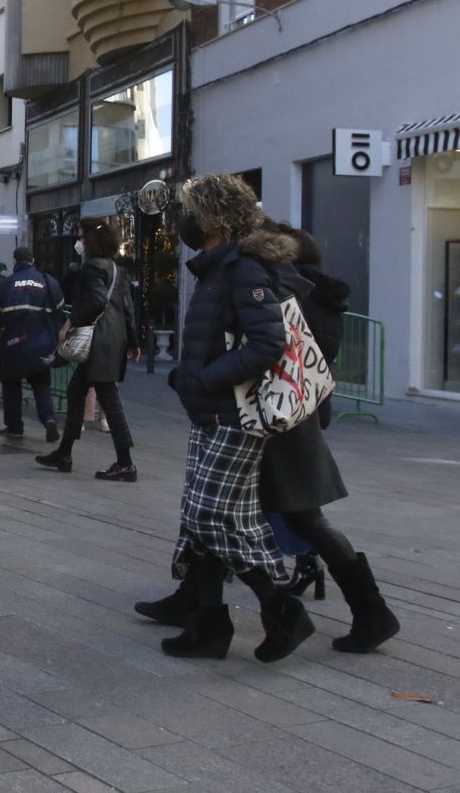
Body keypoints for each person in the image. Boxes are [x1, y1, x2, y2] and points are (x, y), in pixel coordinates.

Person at [135, 221, 399, 654]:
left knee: (298, 518)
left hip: (278, 422)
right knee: (215, 512)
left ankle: (369, 610)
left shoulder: (287, 291)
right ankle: (200, 607)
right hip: (266, 416)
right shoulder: (282, 286)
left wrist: (205, 377)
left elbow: (276, 353)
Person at [150, 175, 313, 663]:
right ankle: (207, 626)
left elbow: (268, 343)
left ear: (212, 218)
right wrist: (190, 377)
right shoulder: (217, 268)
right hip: (211, 413)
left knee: (211, 516)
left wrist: (207, 379)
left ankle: (282, 609)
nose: (184, 222)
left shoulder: (242, 268)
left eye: (191, 211)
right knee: (200, 519)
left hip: (233, 416)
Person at [36, 219, 140, 479]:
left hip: (98, 340)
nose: (80, 242)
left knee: (109, 400)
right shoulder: (116, 269)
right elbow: (127, 308)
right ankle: (64, 452)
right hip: (112, 339)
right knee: (76, 391)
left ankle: (125, 462)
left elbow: (95, 301)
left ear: (92, 241)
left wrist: (70, 322)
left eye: (83, 237)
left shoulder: (92, 267)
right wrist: (133, 342)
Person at [0, 246, 62, 442]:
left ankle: (14, 426)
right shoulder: (47, 281)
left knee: (11, 385)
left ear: (14, 261)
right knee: (41, 384)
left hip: (13, 344)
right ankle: (49, 419)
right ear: (33, 260)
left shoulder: (5, 284)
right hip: (40, 343)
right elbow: (59, 310)